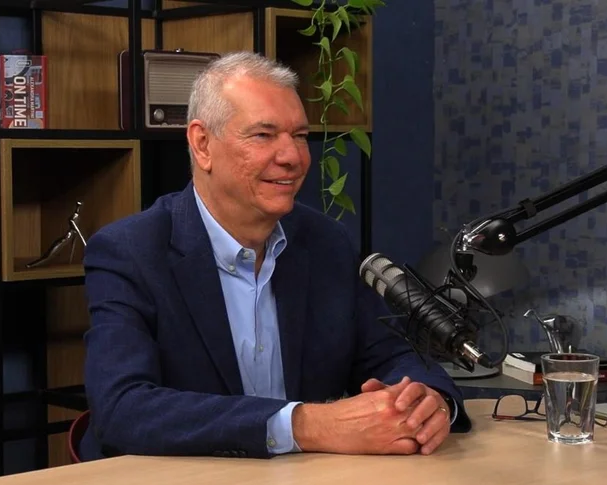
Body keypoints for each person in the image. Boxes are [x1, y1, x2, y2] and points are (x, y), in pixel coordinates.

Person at [79, 51, 471, 461]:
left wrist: (431, 402)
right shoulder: (131, 252)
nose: (293, 157)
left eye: (300, 136)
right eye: (264, 135)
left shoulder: (324, 242)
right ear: (202, 144)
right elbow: (122, 408)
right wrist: (305, 424)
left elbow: (393, 356)